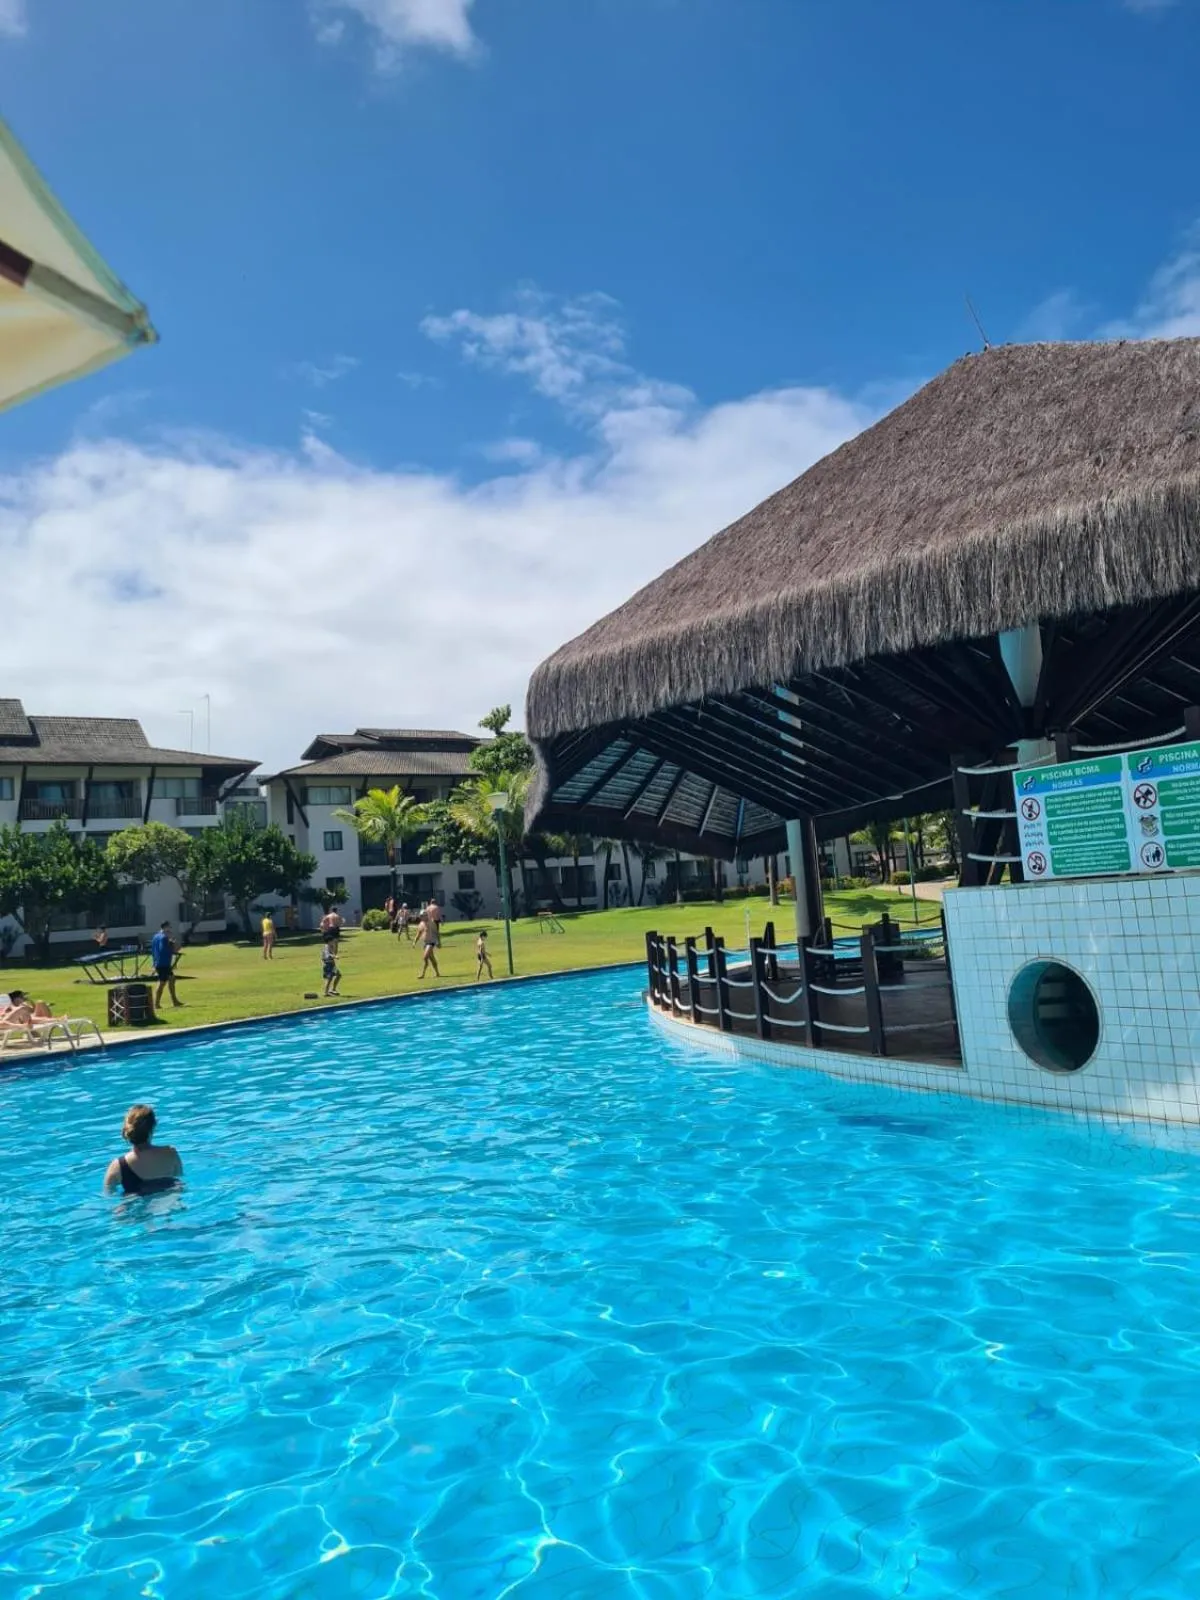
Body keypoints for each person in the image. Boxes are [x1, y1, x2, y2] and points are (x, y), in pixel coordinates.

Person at [103, 1104, 183, 1195]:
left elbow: (108, 1194)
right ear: (152, 1128)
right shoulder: (171, 1153)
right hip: (169, 1199)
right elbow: (179, 1179)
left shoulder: (118, 1165)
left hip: (135, 1201)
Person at [151, 921, 182, 1009]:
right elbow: (164, 950)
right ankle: (156, 1004)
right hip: (163, 963)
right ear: (165, 927)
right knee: (162, 983)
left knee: (171, 979)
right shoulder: (164, 938)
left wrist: (154, 963)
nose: (170, 930)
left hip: (159, 962)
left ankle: (174, 1001)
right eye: (169, 928)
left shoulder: (155, 936)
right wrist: (172, 945)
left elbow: (153, 951)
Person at [416, 909, 441, 979]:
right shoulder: (421, 924)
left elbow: (436, 933)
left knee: (425, 957)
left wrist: (439, 942)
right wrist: (415, 941)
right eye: (421, 916)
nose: (422, 917)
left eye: (423, 915)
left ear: (426, 915)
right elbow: (419, 933)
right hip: (425, 943)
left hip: (431, 942)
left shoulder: (432, 922)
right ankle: (437, 973)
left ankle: (422, 974)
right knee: (432, 959)